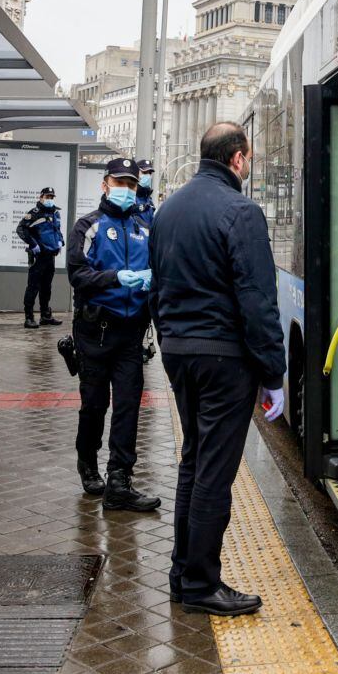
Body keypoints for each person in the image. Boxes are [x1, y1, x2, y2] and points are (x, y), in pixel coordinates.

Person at [148, 122, 286, 616]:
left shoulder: (168, 210)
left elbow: (157, 287)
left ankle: (182, 574)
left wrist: (170, 340)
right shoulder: (241, 211)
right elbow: (257, 300)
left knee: (193, 461)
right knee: (214, 472)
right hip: (224, 358)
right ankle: (202, 584)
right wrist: (273, 373)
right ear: (238, 159)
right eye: (248, 158)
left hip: (179, 352)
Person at [66, 158, 160, 513]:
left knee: (128, 405)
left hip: (130, 332)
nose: (126, 189)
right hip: (94, 331)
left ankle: (119, 480)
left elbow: (159, 269)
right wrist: (115, 278)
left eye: (131, 184)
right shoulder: (88, 226)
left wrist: (152, 283)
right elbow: (77, 274)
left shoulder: (145, 227)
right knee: (94, 405)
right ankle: (88, 462)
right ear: (105, 184)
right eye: (120, 182)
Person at [16, 187, 65, 329]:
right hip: (38, 256)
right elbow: (21, 229)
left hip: (50, 256)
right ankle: (29, 318)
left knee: (46, 287)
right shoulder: (35, 213)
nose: (49, 199)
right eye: (47, 197)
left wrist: (60, 241)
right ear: (41, 197)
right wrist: (33, 244)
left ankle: (45, 316)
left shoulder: (55, 213)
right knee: (33, 287)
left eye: (51, 197)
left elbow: (57, 230)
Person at [135, 159, 157, 228]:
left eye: (149, 173)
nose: (148, 176)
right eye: (144, 172)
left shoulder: (148, 199)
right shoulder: (130, 197)